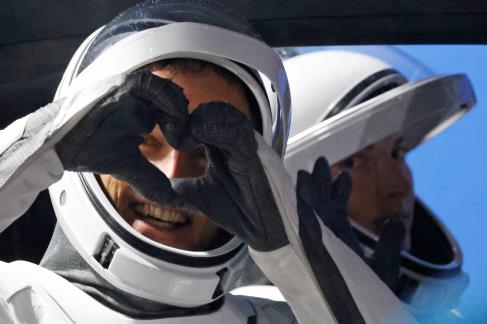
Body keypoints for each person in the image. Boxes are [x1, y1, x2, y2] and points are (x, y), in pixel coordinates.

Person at [0, 2, 416, 322]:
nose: (174, 175)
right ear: (76, 144)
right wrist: (31, 147)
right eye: (144, 140)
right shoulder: (13, 299)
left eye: (208, 153)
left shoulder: (282, 314)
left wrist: (309, 258)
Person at [282, 49, 473, 320]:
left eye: (398, 152)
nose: (399, 186)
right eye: (353, 161)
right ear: (290, 190)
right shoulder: (268, 312)